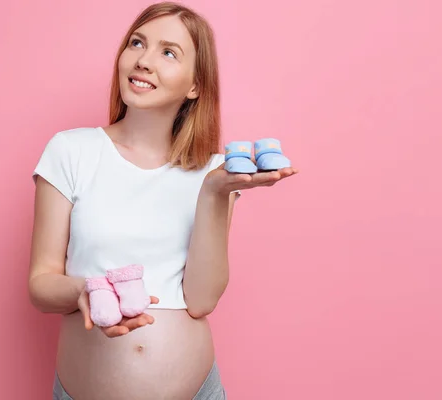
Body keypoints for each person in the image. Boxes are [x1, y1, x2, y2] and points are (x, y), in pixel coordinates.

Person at [28, 2, 297, 399]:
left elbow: (202, 300)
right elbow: (40, 285)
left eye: (168, 52)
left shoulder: (216, 172)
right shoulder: (71, 150)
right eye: (137, 43)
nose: (143, 60)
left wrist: (213, 192)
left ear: (195, 85)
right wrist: (82, 291)